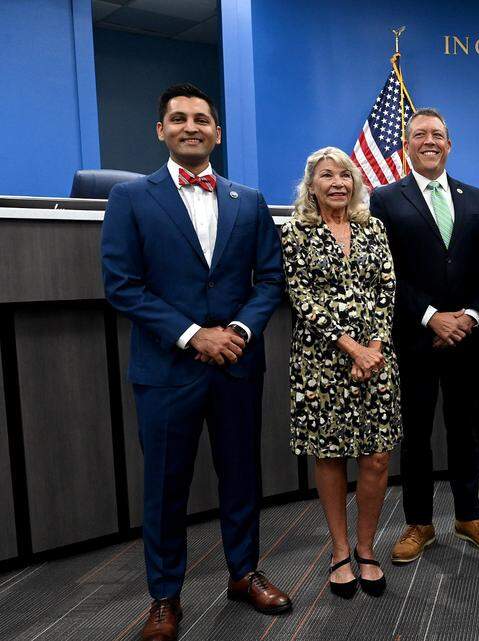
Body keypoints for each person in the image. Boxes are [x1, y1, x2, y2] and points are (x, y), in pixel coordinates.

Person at [101, 83, 291, 641]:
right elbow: (122, 285)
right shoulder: (131, 198)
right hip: (166, 370)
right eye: (179, 119)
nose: (191, 127)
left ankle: (244, 573)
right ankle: (165, 597)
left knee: (241, 475)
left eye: (202, 119)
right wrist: (192, 336)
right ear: (160, 130)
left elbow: (270, 280)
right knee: (165, 487)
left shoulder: (248, 201)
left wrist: (236, 331)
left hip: (237, 364)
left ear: (217, 133)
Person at [370, 108, 479, 563]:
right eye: (420, 134)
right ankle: (419, 522)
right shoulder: (385, 199)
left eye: (437, 135)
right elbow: (386, 272)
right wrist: (431, 316)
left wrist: (470, 315)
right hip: (415, 338)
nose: (429, 141)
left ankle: (470, 515)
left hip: (467, 337)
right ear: (406, 145)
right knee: (417, 433)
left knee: (466, 430)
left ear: (450, 144)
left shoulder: (476, 198)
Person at [280, 146, 402, 599]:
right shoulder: (295, 233)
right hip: (321, 362)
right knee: (330, 456)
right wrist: (351, 348)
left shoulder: (373, 228)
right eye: (327, 175)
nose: (337, 183)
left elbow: (387, 289)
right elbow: (302, 298)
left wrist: (373, 349)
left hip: (377, 358)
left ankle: (367, 548)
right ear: (310, 185)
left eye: (345, 175)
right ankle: (339, 550)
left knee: (377, 457)